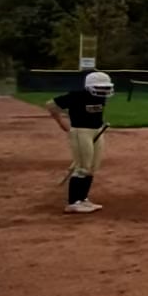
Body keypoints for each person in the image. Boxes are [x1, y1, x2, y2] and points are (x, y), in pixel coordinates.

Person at [49, 71, 113, 214]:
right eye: (101, 87)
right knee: (82, 167)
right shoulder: (76, 96)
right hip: (81, 132)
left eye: (106, 87)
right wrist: (61, 122)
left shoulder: (101, 97)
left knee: (92, 167)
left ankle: (83, 199)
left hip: (97, 131)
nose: (104, 90)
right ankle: (73, 202)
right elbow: (51, 105)